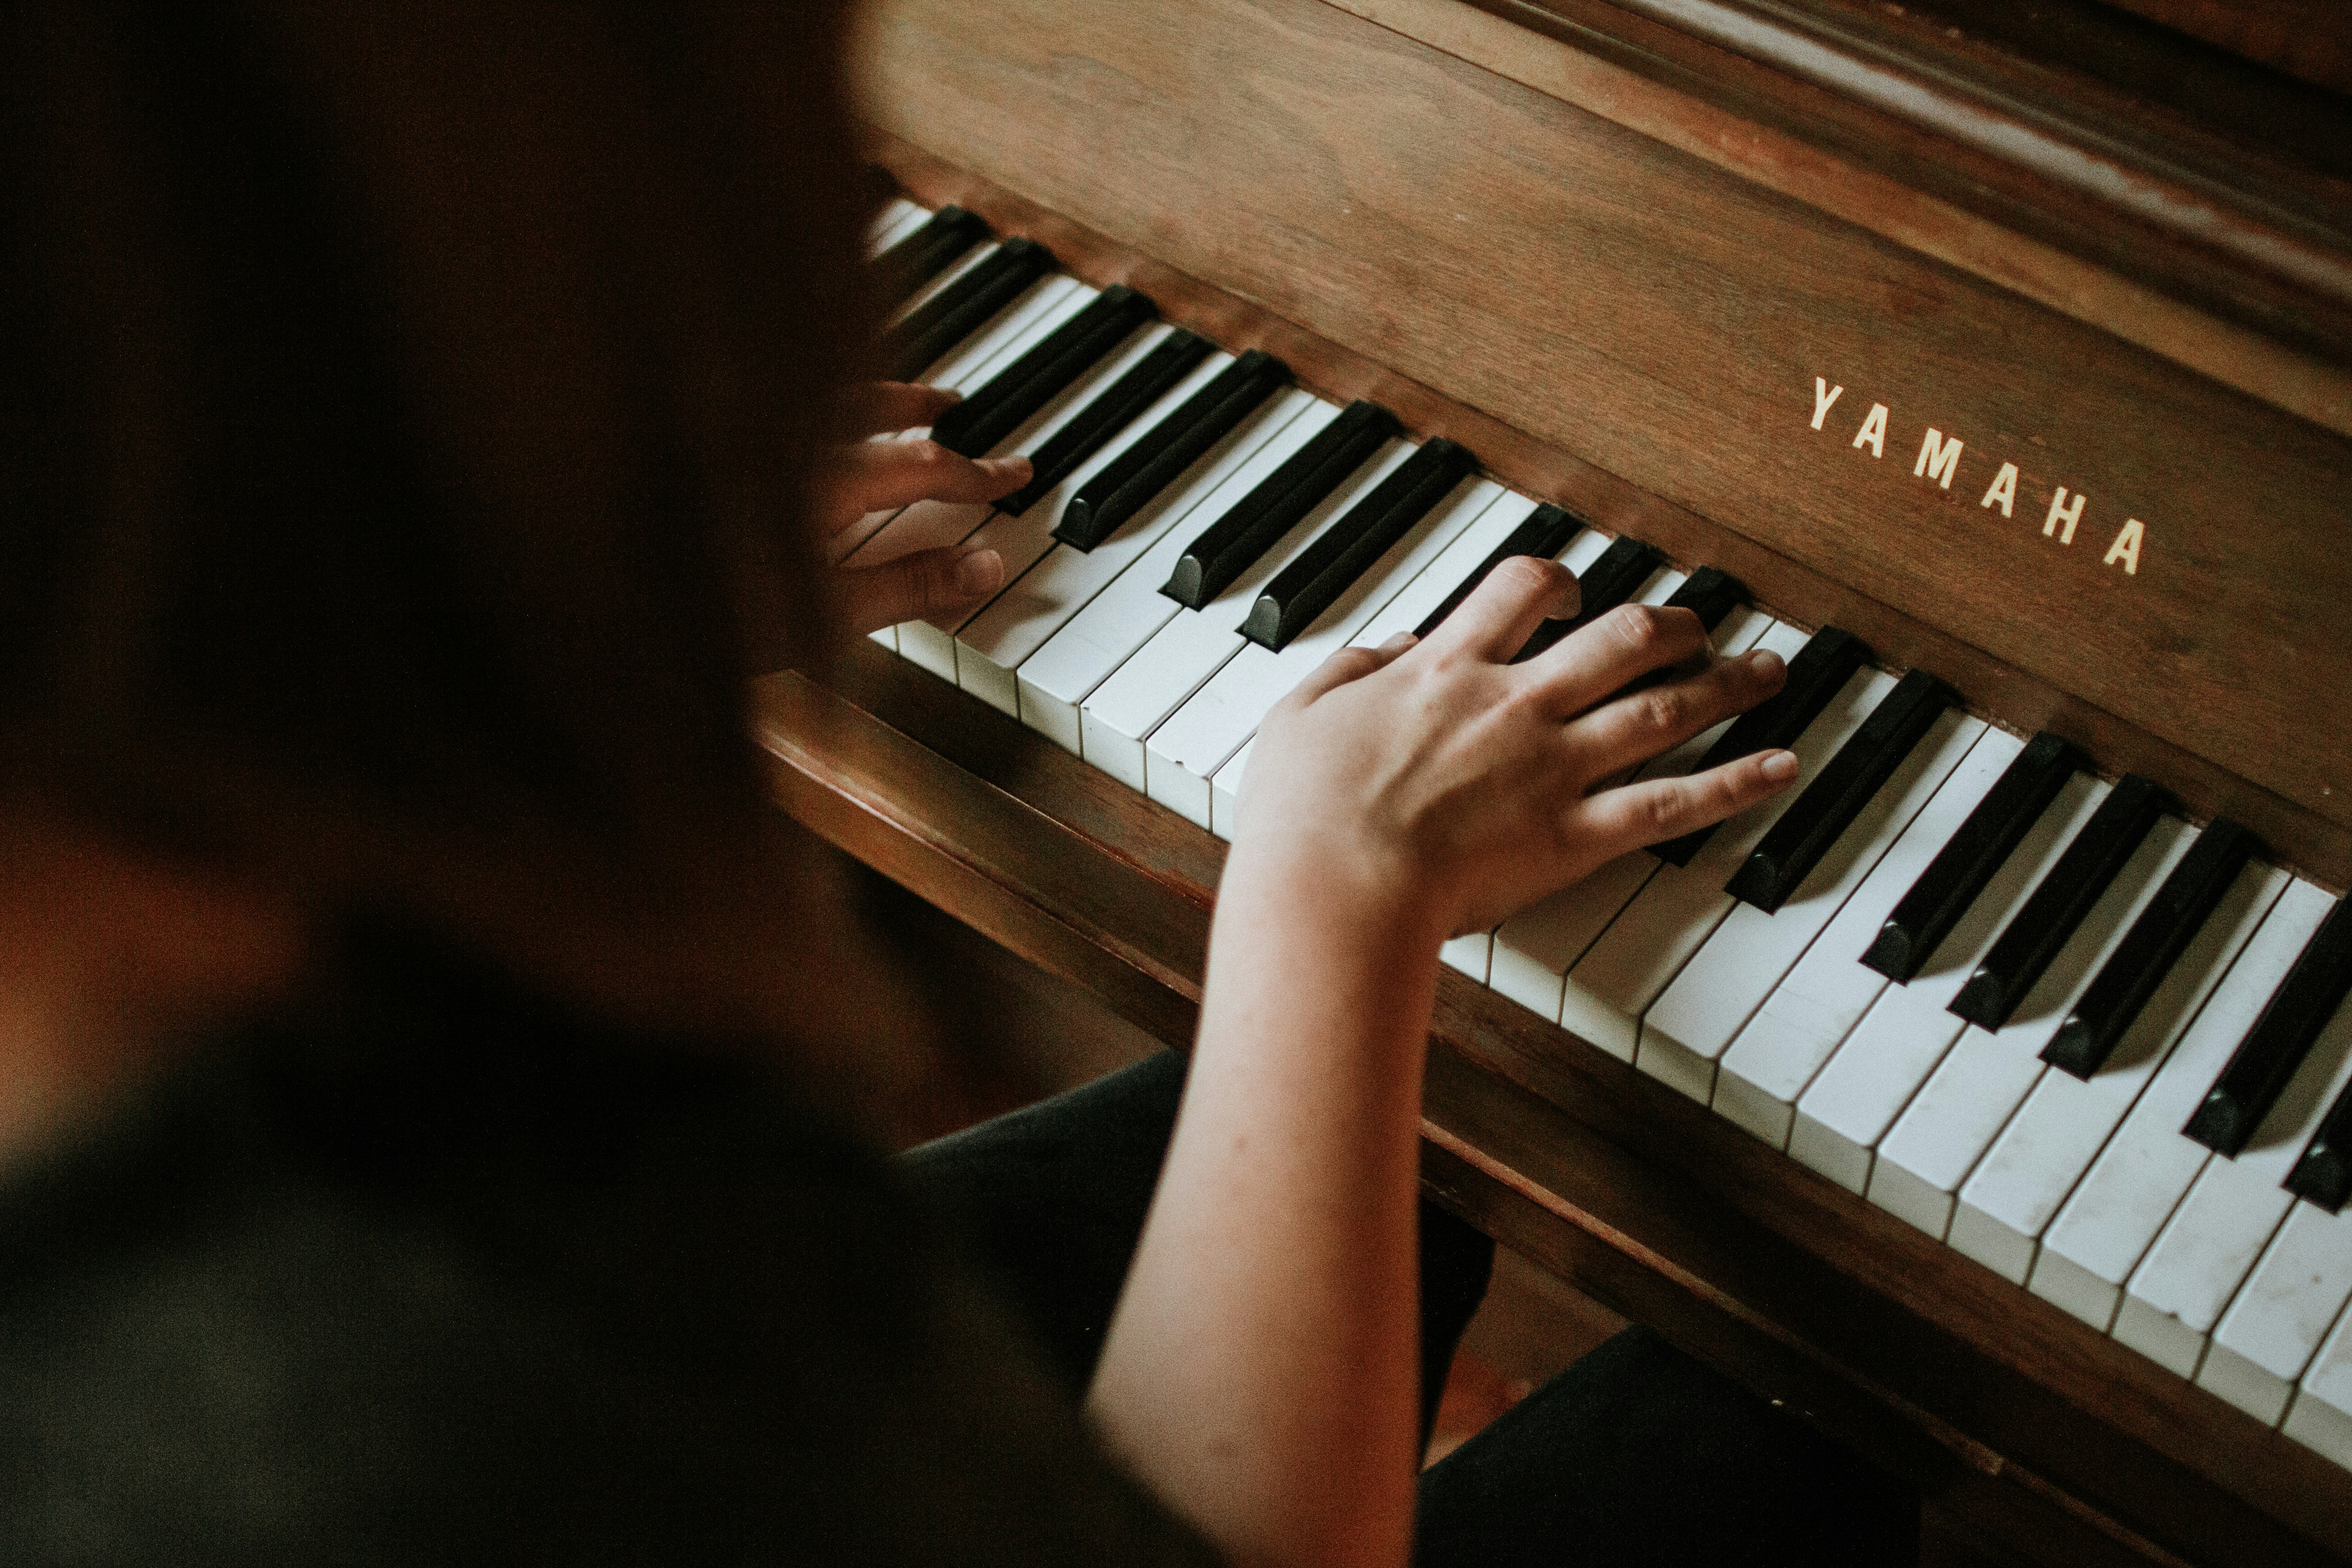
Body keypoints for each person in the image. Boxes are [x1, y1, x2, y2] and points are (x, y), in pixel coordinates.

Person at [0, 1, 1916, 1562]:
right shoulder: (380, 1404)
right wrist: (1333, 903)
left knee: (1442, 1158)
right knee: (1806, 1408)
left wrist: (591, 610)